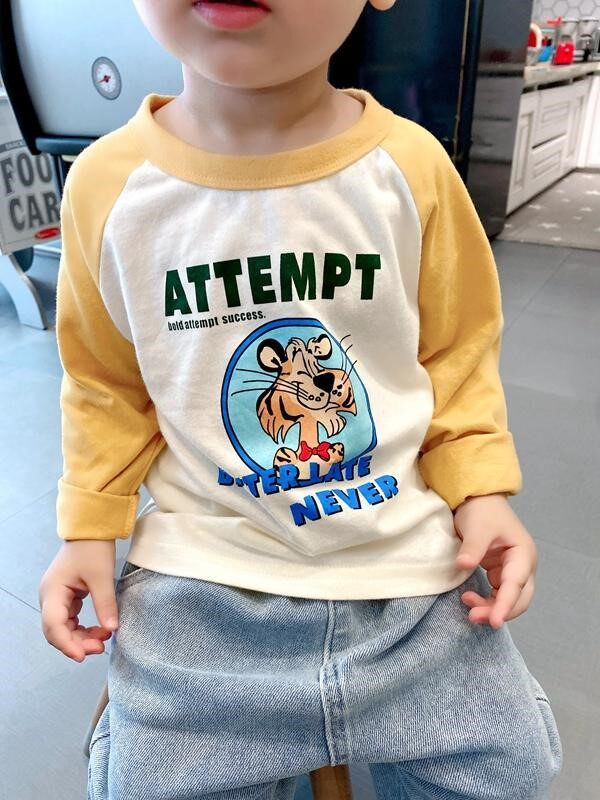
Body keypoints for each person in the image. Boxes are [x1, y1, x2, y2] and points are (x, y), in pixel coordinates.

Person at [39, 1, 563, 798]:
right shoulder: (106, 188)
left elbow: (455, 352)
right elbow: (105, 382)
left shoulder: (411, 168)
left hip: (409, 577)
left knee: (510, 771)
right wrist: (88, 525)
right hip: (201, 585)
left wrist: (480, 488)